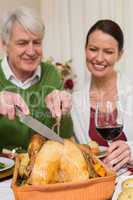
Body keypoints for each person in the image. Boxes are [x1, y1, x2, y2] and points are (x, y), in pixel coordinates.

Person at [0, 7, 73, 151]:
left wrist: (63, 114)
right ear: (4, 44)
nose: (31, 51)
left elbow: (63, 137)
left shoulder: (51, 73)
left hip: (42, 168)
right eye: (22, 43)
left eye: (37, 42)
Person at [71, 19, 133, 172]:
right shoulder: (75, 101)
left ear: (119, 55)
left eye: (108, 52)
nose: (99, 58)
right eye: (93, 49)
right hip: (98, 185)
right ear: (85, 49)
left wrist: (131, 149)